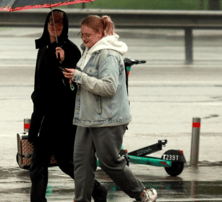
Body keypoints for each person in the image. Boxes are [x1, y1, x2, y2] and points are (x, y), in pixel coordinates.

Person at [62, 15, 158, 202]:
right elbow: (86, 85)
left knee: (110, 163)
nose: (84, 39)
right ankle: (81, 200)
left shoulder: (108, 55)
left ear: (100, 33)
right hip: (86, 118)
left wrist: (80, 77)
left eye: (88, 35)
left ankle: (141, 194)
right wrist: (73, 79)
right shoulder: (88, 52)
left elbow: (109, 87)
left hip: (108, 119)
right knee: (81, 164)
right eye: (81, 34)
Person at [28, 10, 107, 202]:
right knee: (38, 164)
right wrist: (35, 118)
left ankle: (97, 190)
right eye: (52, 22)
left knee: (66, 163)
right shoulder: (44, 48)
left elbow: (74, 86)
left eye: (60, 22)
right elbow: (39, 87)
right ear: (46, 24)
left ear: (66, 25)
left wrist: (63, 62)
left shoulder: (71, 50)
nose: (56, 25)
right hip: (42, 116)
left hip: (62, 117)